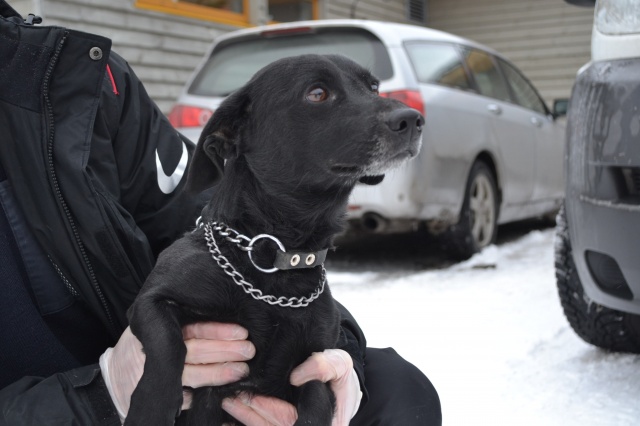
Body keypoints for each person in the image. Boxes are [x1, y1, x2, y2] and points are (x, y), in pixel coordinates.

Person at [0, 1, 442, 424]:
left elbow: (231, 236)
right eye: (320, 93)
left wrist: (343, 361)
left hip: (195, 360)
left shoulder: (69, 77)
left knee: (400, 392)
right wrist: (103, 396)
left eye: (370, 89)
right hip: (80, 403)